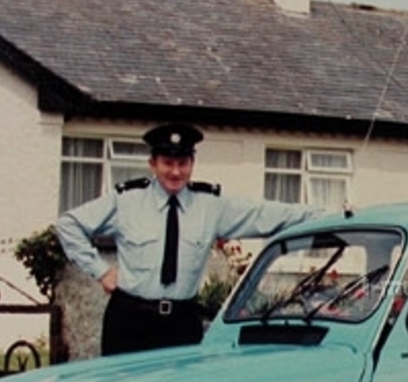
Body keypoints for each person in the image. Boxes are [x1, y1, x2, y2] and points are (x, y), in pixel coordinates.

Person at [55, 122, 323, 356]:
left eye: (182, 163)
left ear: (192, 164)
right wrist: (100, 271)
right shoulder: (127, 201)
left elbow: (265, 215)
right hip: (130, 320)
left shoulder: (211, 206)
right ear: (153, 164)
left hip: (181, 323)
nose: (175, 172)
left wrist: (325, 214)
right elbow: (69, 224)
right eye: (167, 163)